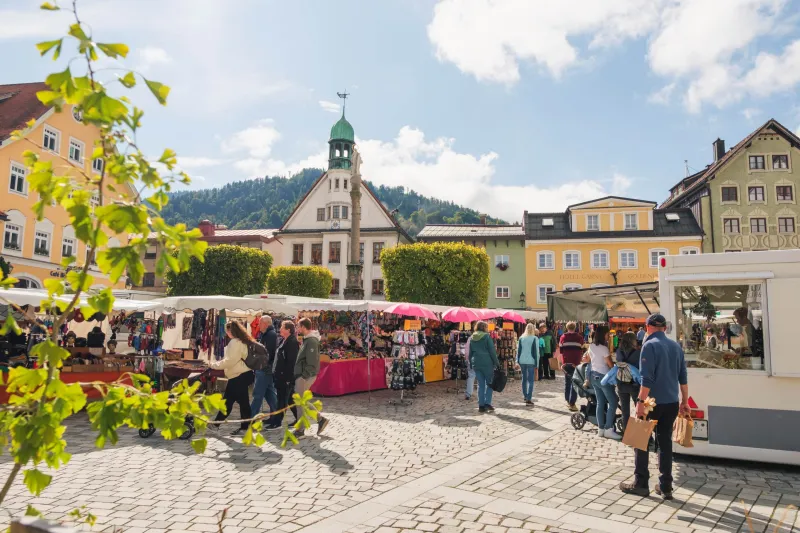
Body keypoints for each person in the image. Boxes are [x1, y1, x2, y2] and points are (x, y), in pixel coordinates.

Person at [620, 313, 689, 500]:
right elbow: (683, 377)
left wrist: (641, 402)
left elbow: (647, 379)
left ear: (648, 327)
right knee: (665, 442)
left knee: (640, 441)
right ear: (665, 328)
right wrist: (685, 401)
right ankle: (666, 485)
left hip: (652, 402)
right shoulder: (676, 346)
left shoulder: (649, 345)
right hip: (672, 402)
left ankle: (641, 482)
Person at [212, 322, 256, 435]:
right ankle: (244, 427)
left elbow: (230, 361)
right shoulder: (243, 340)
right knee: (240, 401)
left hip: (238, 375)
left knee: (229, 401)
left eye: (227, 331)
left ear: (230, 331)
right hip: (243, 374)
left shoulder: (235, 342)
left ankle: (217, 424)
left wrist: (213, 365)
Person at [294, 318, 329, 437]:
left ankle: (301, 429)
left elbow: (312, 361)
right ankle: (320, 419)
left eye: (298, 326)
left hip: (305, 376)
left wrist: (304, 376)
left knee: (300, 402)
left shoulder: (311, 341)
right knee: (302, 401)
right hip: (303, 375)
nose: (297, 329)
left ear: (303, 327)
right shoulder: (308, 340)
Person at [588, 325, 622, 440]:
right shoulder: (604, 348)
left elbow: (590, 359)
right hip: (603, 376)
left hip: (594, 376)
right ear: (603, 335)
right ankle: (608, 429)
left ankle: (601, 429)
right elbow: (610, 364)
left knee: (600, 402)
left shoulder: (591, 346)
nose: (609, 336)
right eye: (608, 334)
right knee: (613, 401)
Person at [266, 320, 300, 429]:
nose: (280, 329)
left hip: (285, 377)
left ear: (288, 330)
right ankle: (299, 419)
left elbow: (291, 362)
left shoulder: (292, 342)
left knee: (282, 400)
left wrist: (288, 378)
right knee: (290, 399)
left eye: (282, 327)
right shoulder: (283, 340)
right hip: (279, 375)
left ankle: (277, 422)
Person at [250, 316, 278, 418]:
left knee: (258, 394)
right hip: (266, 368)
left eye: (260, 323)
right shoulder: (267, 334)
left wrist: (261, 364)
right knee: (269, 393)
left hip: (264, 368)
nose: (258, 325)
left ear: (266, 324)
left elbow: (268, 353)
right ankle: (277, 416)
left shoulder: (270, 335)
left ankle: (252, 417)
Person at [469, 321, 500, 413]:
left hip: (476, 363)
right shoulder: (487, 337)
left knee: (480, 385)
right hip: (487, 363)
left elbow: (470, 352)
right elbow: (492, 351)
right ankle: (487, 403)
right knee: (489, 383)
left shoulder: (472, 337)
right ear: (484, 328)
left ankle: (481, 405)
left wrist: (471, 363)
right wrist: (497, 363)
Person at [615, 332, 641, 432]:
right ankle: (640, 432)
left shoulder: (619, 351)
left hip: (621, 383)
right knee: (639, 408)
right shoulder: (637, 353)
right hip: (634, 384)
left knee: (625, 411)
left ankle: (627, 433)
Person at [559, 321, 584, 412]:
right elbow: (581, 348)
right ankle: (572, 402)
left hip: (566, 361)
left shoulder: (563, 337)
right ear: (575, 327)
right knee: (575, 382)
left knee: (567, 381)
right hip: (576, 362)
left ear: (567, 327)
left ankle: (567, 399)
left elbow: (561, 350)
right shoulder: (579, 337)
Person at [516, 323, 539, 406]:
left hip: (522, 361)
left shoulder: (521, 338)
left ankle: (525, 396)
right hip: (531, 361)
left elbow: (518, 351)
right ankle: (529, 398)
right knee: (531, 380)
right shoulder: (535, 338)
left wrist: (517, 361)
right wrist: (537, 364)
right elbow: (536, 352)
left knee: (524, 379)